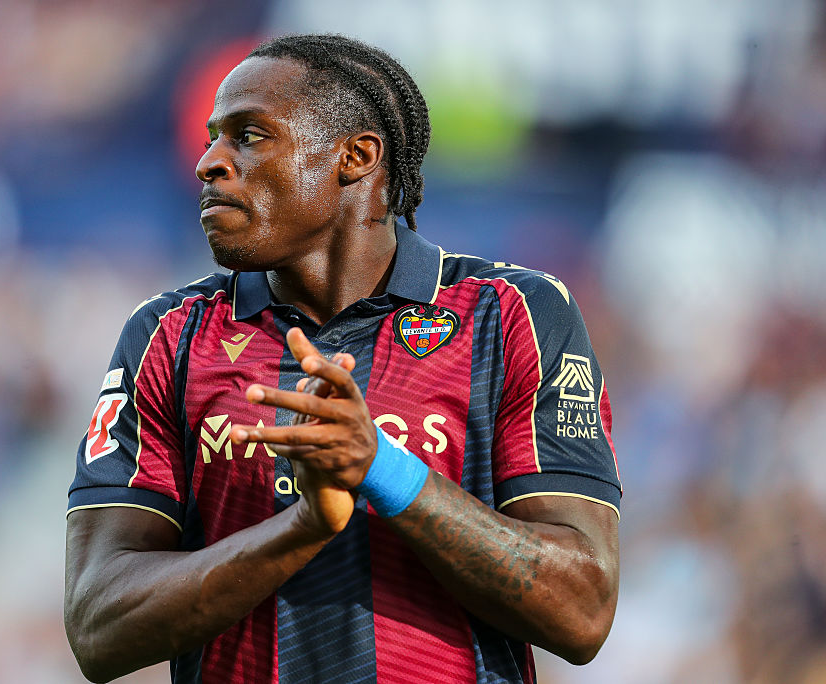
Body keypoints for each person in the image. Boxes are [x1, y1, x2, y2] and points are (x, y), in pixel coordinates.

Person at [64, 33, 621, 684]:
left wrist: (380, 468)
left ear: (355, 157)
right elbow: (97, 626)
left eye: (248, 135)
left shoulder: (510, 315)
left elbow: (581, 612)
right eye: (214, 137)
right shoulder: (167, 335)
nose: (209, 162)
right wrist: (302, 528)